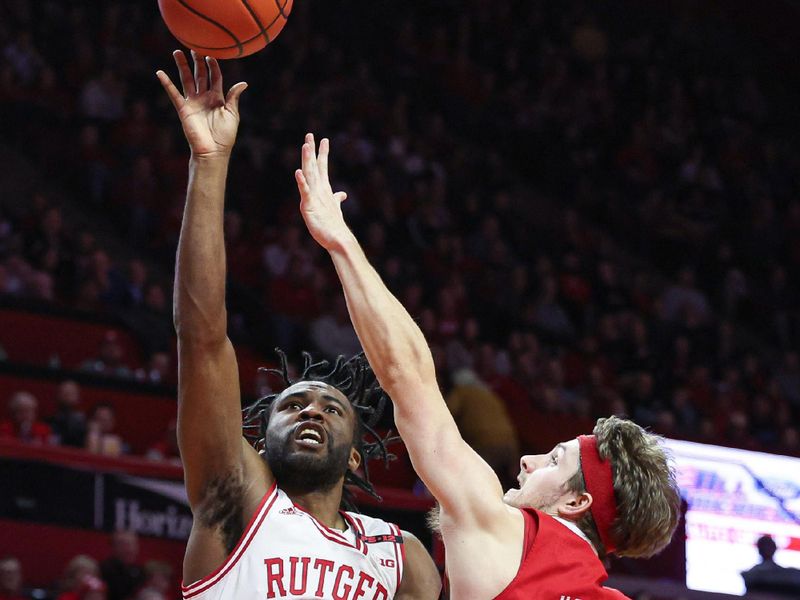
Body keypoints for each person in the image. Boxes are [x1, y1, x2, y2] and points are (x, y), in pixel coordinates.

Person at [295, 134, 682, 599]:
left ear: (577, 501)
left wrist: (341, 243)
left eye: (553, 460)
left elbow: (407, 378)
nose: (527, 460)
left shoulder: (504, 531)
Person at [155, 50, 440, 600]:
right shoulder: (237, 497)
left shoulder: (401, 555)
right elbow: (203, 336)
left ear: (356, 453)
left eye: (331, 408)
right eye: (291, 405)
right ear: (260, 442)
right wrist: (208, 165)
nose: (310, 408)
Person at [100, 530, 143, 600]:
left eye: (133, 544)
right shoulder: (104, 570)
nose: (130, 549)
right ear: (114, 547)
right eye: (124, 544)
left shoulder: (140, 572)